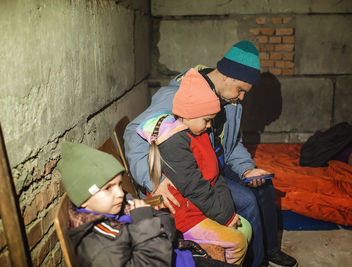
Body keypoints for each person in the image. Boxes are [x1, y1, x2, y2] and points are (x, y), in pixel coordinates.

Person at [124, 41, 298, 267]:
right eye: (242, 90)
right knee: (247, 200)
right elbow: (133, 132)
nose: (243, 97)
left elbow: (234, 144)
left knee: (263, 185)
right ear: (228, 77)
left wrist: (246, 168)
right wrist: (152, 179)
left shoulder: (232, 100)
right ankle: (254, 260)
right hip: (197, 172)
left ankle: (268, 250)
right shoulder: (179, 95)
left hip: (216, 164)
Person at [136, 68, 251, 265]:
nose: (209, 126)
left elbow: (215, 177)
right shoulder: (174, 143)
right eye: (206, 120)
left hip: (198, 207)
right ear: (189, 114)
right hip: (183, 216)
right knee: (238, 241)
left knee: (246, 227)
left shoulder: (200, 133)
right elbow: (195, 187)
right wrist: (225, 217)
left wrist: (227, 213)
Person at [57, 142, 173, 267]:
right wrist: (145, 223)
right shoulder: (100, 248)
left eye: (119, 184)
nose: (120, 193)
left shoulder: (121, 206)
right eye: (107, 188)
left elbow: (168, 223)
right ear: (84, 200)